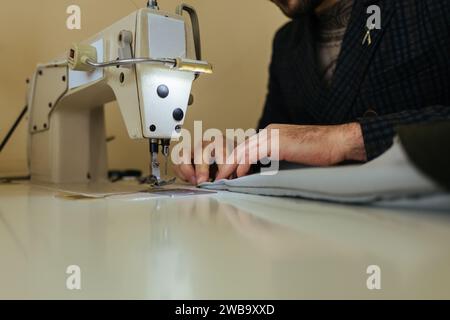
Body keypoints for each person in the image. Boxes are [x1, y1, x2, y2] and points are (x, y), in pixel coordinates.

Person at [174, 0, 450, 185]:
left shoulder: (430, 8)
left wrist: (345, 139)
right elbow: (274, 147)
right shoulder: (286, 44)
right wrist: (231, 156)